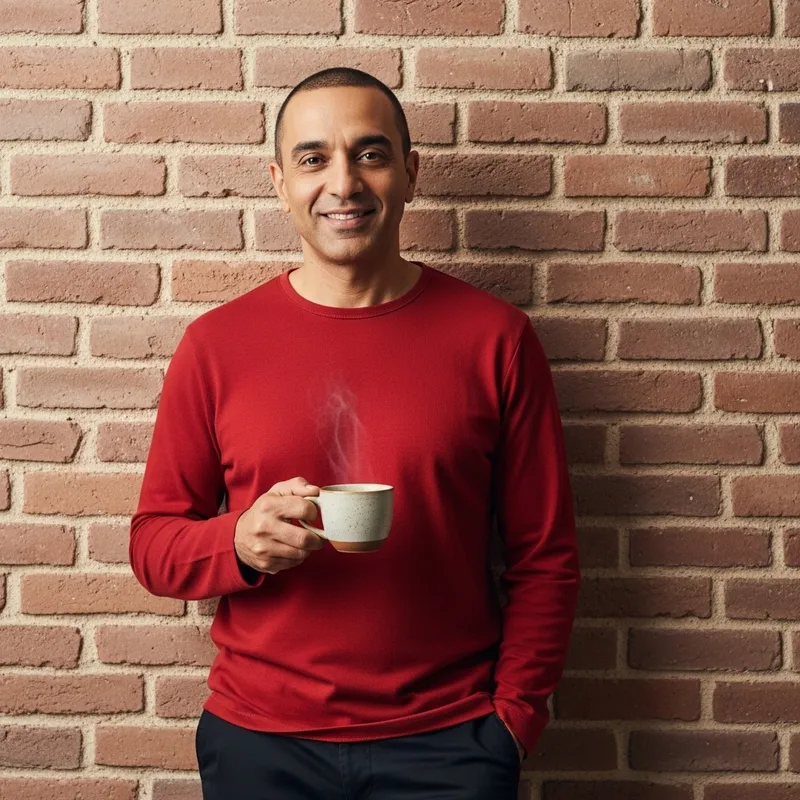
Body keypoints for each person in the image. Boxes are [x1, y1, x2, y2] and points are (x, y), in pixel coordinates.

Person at [129, 67, 581, 800]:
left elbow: (545, 557)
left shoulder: (496, 339)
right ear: (280, 183)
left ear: (410, 173)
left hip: (450, 744)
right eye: (314, 159)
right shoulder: (216, 346)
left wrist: (512, 721)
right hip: (260, 743)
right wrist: (236, 542)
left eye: (370, 154)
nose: (344, 182)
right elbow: (152, 544)